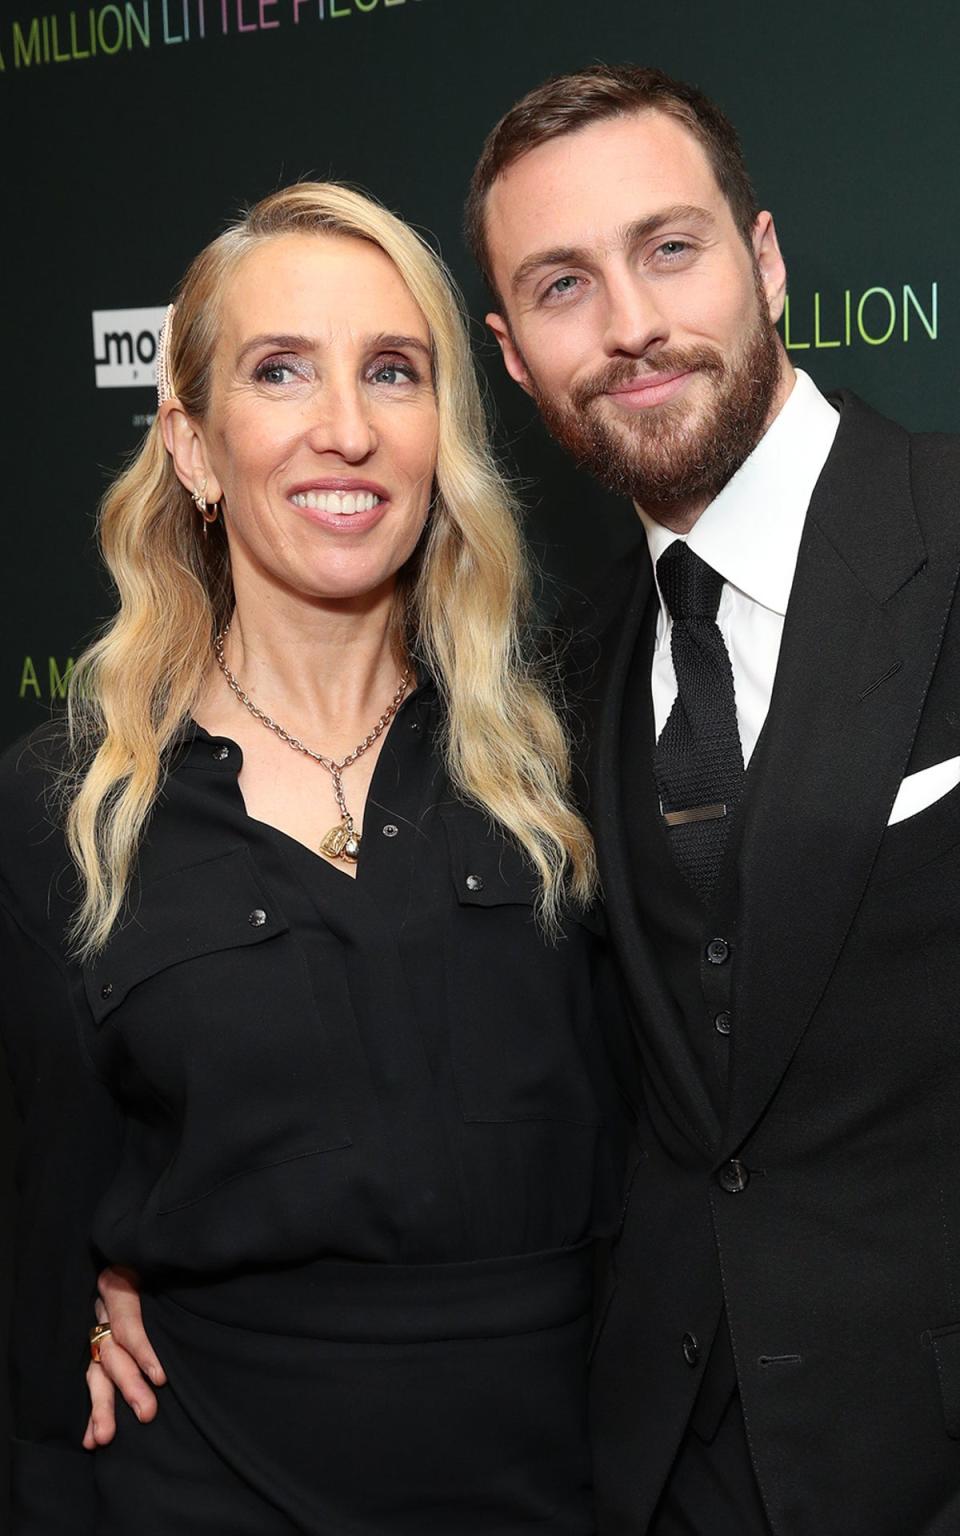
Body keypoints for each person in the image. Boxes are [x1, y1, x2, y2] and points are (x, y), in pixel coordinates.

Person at [0, 181, 627, 1535]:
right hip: (198, 1485)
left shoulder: (575, 747)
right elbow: (41, 1231)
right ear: (194, 445)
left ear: (440, 436)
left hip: (571, 1483)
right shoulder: (69, 807)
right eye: (280, 372)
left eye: (392, 374)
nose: (346, 429)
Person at [461, 63, 960, 1536]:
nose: (628, 326)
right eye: (563, 285)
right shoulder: (561, 668)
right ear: (509, 350)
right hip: (660, 1466)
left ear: (766, 259)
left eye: (669, 250)